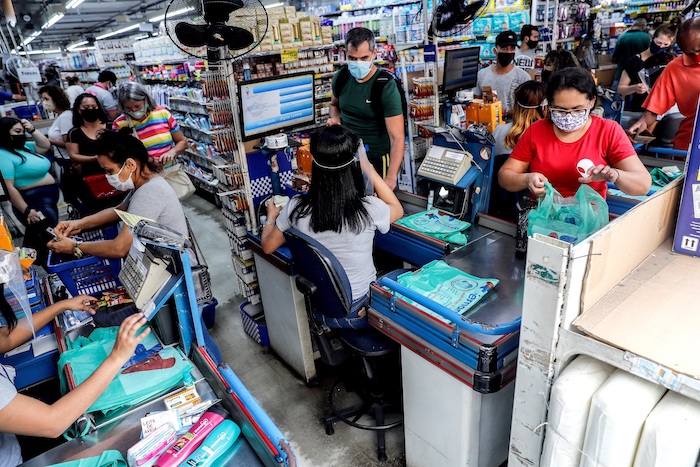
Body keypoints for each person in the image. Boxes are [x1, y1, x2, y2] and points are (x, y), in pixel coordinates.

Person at [261, 125, 403, 326]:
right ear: (354, 165)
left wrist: (270, 218)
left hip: (322, 309)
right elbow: (397, 208)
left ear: (314, 166)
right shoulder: (369, 209)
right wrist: (370, 170)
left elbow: (267, 246)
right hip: (362, 312)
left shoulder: (295, 208)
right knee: (403, 273)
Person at [0, 312, 149, 465]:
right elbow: (53, 423)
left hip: (13, 438)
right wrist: (117, 357)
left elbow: (5, 339)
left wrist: (60, 307)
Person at [499, 67, 651, 200]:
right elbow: (505, 176)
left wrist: (615, 175)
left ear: (592, 103)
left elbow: (642, 185)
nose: (569, 116)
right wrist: (527, 179)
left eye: (577, 109)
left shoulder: (608, 131)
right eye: (560, 110)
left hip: (588, 220)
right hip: (543, 219)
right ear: (549, 105)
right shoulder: (537, 131)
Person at [48, 129, 188, 259]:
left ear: (130, 165)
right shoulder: (145, 184)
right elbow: (119, 210)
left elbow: (119, 248)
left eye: (109, 171)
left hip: (173, 267)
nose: (108, 176)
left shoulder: (150, 192)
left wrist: (74, 246)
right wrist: (79, 224)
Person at [327, 27, 405, 190]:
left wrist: (391, 177)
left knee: (380, 210)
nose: (358, 63)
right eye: (352, 58)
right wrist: (335, 120)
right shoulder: (341, 77)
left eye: (364, 58)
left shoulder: (384, 86)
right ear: (345, 55)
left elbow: (397, 137)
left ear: (374, 54)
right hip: (348, 156)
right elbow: (334, 105)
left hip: (377, 159)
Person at [627, 17, 700, 151]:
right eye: (689, 52)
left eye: (699, 51)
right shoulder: (675, 68)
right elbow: (655, 107)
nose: (695, 56)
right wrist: (641, 123)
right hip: (689, 145)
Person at [0, 117, 57, 265]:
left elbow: (45, 145)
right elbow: (8, 187)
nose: (22, 134)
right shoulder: (3, 155)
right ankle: (28, 267)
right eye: (17, 131)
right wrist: (27, 210)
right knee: (48, 238)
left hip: (47, 201)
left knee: (41, 239)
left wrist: (32, 129)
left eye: (23, 131)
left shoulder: (24, 148)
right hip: (32, 204)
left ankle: (28, 267)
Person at [491, 81, 547, 221]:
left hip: (501, 211)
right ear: (545, 108)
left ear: (516, 105)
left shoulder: (499, 132)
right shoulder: (545, 138)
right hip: (534, 214)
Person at [112, 83, 187, 166]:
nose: (134, 111)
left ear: (146, 100)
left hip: (169, 171)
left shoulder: (162, 114)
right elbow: (118, 155)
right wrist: (146, 160)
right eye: (128, 108)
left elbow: (182, 141)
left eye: (137, 106)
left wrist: (172, 152)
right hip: (142, 175)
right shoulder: (119, 124)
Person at [617, 22, 677, 114]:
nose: (661, 47)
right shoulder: (634, 62)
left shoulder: (670, 60)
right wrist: (635, 88)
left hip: (664, 110)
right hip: (639, 110)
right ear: (652, 38)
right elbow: (621, 88)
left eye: (666, 45)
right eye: (658, 42)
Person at [66, 93, 110, 214]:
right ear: (79, 110)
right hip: (89, 180)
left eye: (93, 106)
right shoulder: (74, 133)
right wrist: (96, 158)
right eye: (86, 107)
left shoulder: (110, 126)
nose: (91, 110)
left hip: (113, 176)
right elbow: (74, 155)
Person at [474, 30, 531, 116]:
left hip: (514, 127)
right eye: (504, 48)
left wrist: (506, 113)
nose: (508, 52)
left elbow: (528, 110)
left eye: (512, 48)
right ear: (495, 51)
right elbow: (476, 102)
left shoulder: (523, 78)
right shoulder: (482, 75)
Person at [39, 85, 73, 188]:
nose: (44, 102)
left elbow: (68, 143)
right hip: (62, 161)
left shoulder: (65, 117)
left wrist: (47, 140)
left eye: (46, 99)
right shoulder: (59, 116)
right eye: (43, 99)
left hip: (67, 162)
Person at [612, 18, 651, 86]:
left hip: (622, 70)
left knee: (617, 92)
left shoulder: (622, 37)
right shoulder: (646, 37)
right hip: (639, 72)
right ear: (643, 26)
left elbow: (615, 57)